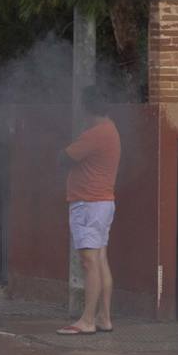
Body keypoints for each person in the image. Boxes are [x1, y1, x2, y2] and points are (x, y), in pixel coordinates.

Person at [57, 92, 121, 335]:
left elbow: (63, 158)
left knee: (89, 261)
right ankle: (104, 317)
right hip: (102, 202)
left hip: (88, 203)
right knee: (100, 260)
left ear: (86, 108)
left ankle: (87, 320)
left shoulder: (96, 134)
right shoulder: (110, 129)